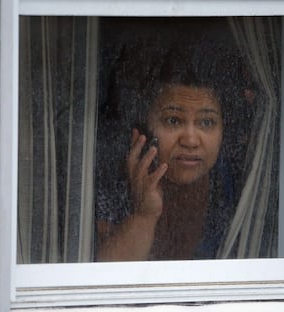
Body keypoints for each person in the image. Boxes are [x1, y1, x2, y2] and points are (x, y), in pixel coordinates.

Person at [95, 41, 252, 261]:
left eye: (206, 122)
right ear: (144, 129)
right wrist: (144, 216)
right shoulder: (115, 182)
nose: (190, 139)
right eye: (173, 120)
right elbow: (105, 283)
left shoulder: (238, 180)